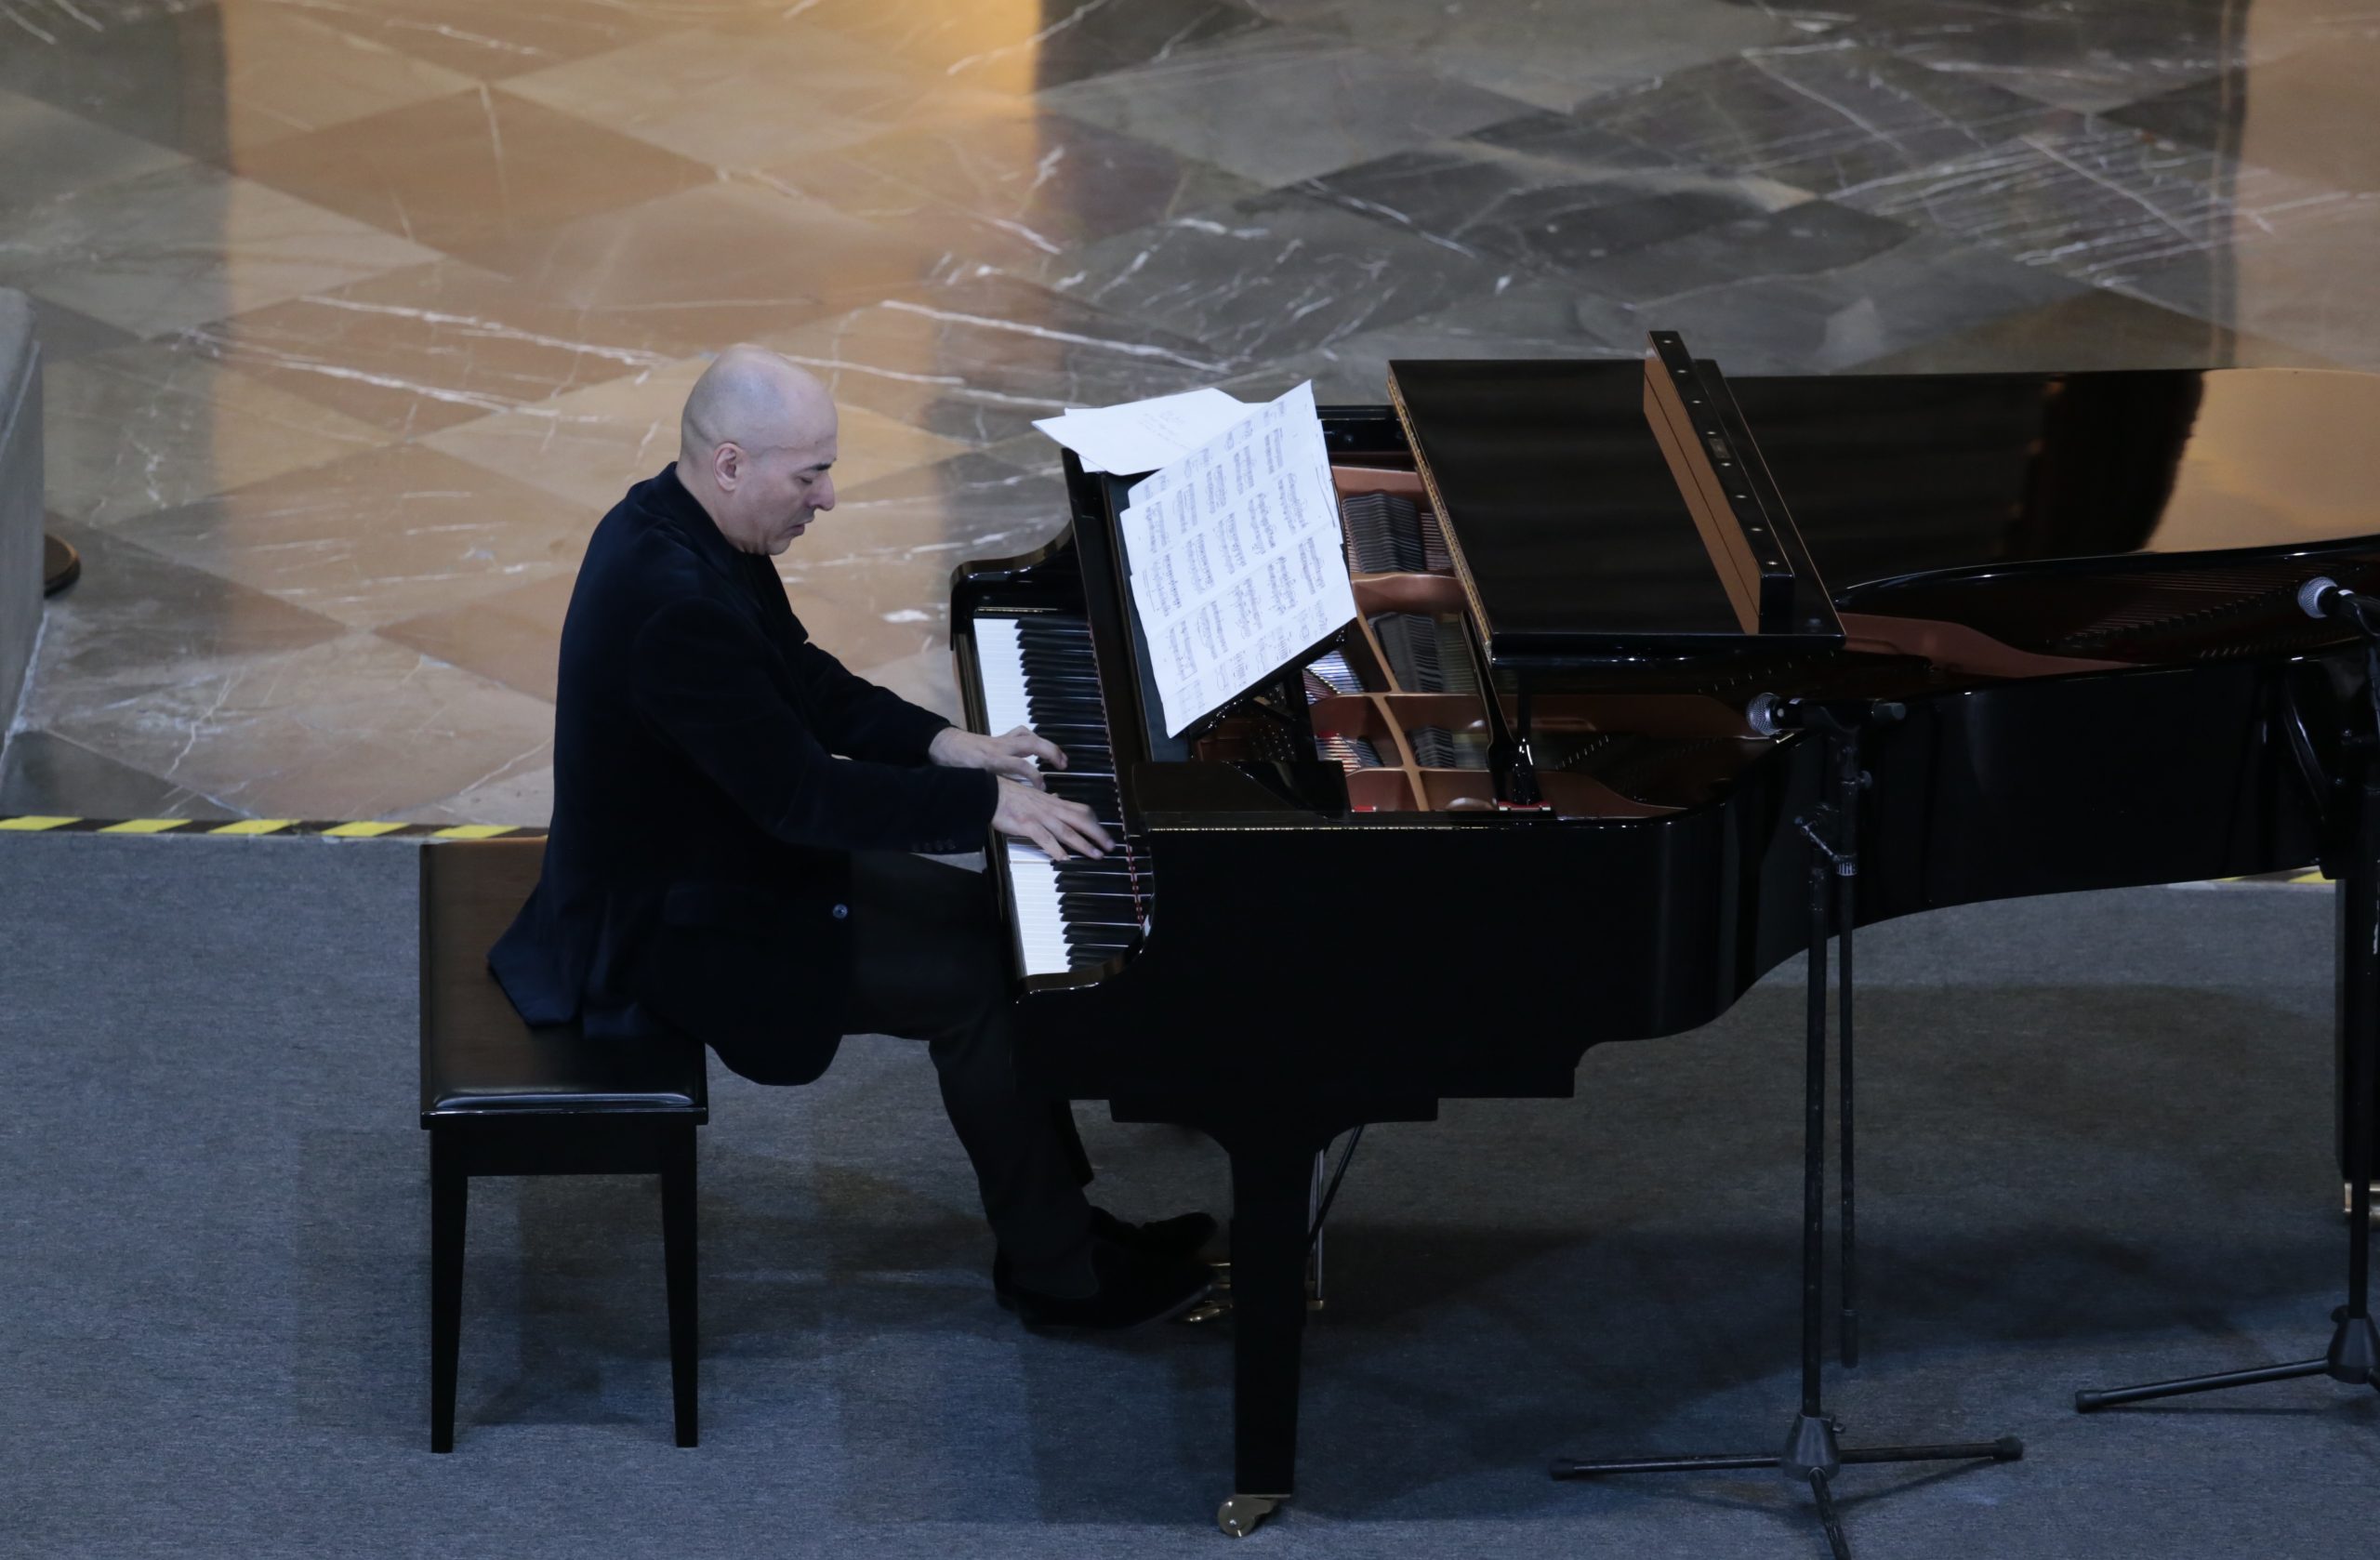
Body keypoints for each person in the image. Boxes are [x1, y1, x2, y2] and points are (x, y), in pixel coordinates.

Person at [489, 344, 1212, 1328]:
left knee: (999, 930)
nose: (827, 498)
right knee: (977, 991)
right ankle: (1057, 1272)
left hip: (715, 856)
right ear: (733, 463)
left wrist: (946, 743)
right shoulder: (675, 606)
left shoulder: (683, 528)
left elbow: (802, 679)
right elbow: (799, 800)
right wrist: (981, 808)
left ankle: (1060, 1221)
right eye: (811, 473)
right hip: (671, 924)